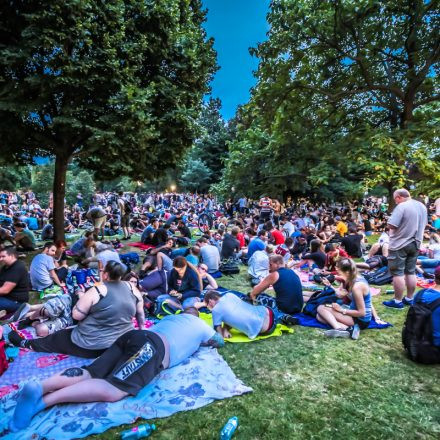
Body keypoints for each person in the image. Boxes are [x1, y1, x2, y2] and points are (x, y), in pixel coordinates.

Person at [8, 308, 224, 432]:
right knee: (115, 388)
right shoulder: (200, 325)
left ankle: (42, 386)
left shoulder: (171, 318)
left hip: (135, 336)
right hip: (153, 349)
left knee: (92, 371)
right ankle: (43, 401)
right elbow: (219, 341)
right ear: (196, 315)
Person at [9, 261, 144, 358]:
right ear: (120, 276)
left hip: (91, 344)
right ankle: (31, 318)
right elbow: (140, 315)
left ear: (105, 275)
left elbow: (77, 315)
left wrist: (82, 297)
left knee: (57, 339)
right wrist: (141, 332)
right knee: (52, 313)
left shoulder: (98, 290)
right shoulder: (132, 288)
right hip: (117, 343)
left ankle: (24, 342)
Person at [383, 189, 428, 309]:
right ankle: (409, 298)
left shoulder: (402, 206)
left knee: (398, 273)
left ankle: (397, 302)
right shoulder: (421, 206)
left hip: (400, 244)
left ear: (398, 197)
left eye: (395, 199)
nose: (395, 202)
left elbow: (392, 225)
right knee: (411, 271)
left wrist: (388, 221)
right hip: (416, 243)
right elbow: (424, 224)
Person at [318, 258, 373, 340]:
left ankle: (339, 328)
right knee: (319, 316)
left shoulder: (357, 286)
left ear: (347, 272)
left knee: (321, 308)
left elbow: (362, 313)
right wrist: (330, 285)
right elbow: (340, 295)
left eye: (340, 272)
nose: (338, 274)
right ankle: (348, 329)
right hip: (355, 315)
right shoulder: (354, 278)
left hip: (360, 320)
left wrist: (341, 310)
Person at [250, 254, 304, 320]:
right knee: (268, 296)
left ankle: (281, 315)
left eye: (270, 265)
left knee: (258, 296)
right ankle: (285, 317)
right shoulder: (292, 272)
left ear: (277, 263)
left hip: (284, 308)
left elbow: (255, 291)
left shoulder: (274, 274)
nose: (269, 267)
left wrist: (257, 287)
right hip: (298, 308)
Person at [0, 247, 30, 313]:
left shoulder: (17, 267)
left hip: (16, 302)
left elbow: (5, 290)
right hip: (6, 298)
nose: (0, 259)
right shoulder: (5, 267)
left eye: (3, 256)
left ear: (12, 256)